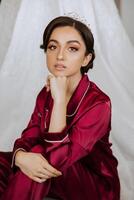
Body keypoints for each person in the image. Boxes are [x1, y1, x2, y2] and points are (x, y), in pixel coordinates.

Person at [0, 15, 120, 200]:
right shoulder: (46, 92)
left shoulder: (99, 104)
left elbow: (59, 159)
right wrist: (19, 157)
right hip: (58, 173)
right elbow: (29, 136)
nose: (60, 55)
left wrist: (60, 101)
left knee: (40, 156)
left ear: (86, 59)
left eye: (72, 49)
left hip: (94, 185)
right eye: (53, 47)